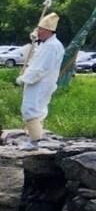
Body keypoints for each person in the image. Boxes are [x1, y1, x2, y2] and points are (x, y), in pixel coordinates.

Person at [15, 12, 63, 149]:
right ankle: (34, 138)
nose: (38, 32)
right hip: (40, 82)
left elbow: (41, 68)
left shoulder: (51, 46)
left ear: (48, 30)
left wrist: (24, 79)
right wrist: (34, 41)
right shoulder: (47, 44)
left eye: (40, 30)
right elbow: (35, 56)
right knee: (37, 109)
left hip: (40, 82)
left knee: (31, 109)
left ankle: (34, 141)